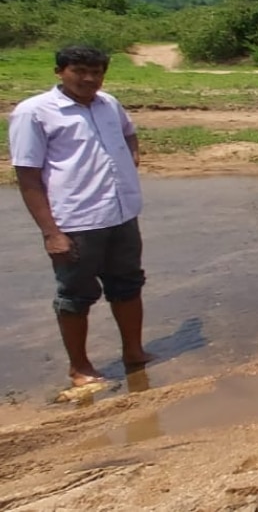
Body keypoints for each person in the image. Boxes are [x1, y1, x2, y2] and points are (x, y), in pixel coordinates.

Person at [7, 45, 153, 388]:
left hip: (121, 214)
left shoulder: (109, 104)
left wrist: (131, 159)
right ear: (60, 71)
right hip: (75, 221)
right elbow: (27, 176)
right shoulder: (34, 112)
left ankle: (134, 352)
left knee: (129, 285)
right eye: (79, 71)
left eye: (97, 72)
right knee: (74, 296)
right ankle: (80, 368)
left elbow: (129, 132)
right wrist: (51, 232)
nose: (89, 79)